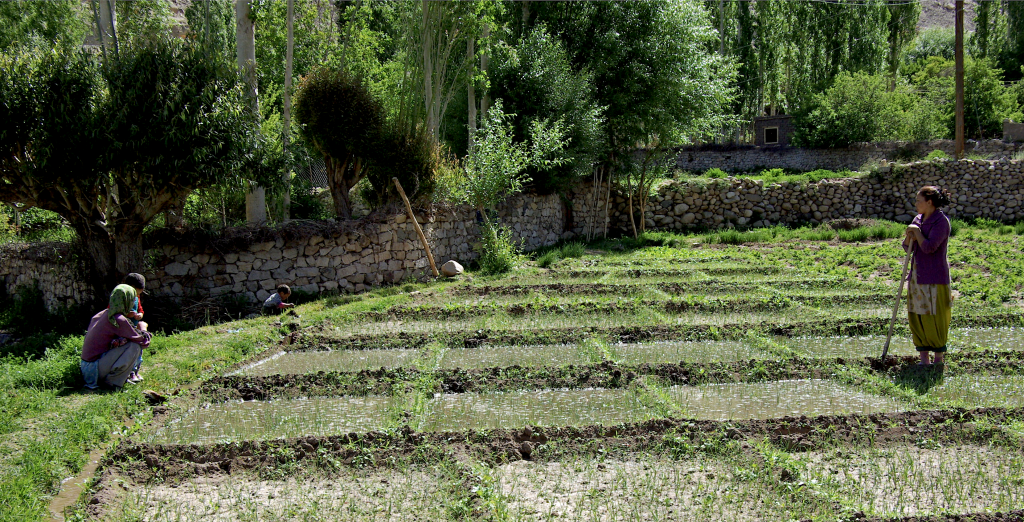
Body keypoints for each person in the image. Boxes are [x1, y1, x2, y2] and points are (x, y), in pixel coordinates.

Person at [903, 186, 953, 367]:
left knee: (935, 315)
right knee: (918, 314)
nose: (916, 204)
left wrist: (916, 232)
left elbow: (930, 248)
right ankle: (924, 358)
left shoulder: (941, 222)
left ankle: (938, 359)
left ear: (929, 202)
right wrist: (910, 236)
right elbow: (907, 246)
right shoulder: (918, 219)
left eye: (918, 200)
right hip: (917, 275)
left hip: (934, 276)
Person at [81, 284, 152, 391]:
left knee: (127, 343)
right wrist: (143, 328)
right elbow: (143, 342)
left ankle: (114, 378)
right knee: (135, 347)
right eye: (132, 300)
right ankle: (113, 382)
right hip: (95, 369)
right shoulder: (118, 319)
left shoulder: (103, 314)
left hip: (86, 368)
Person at [122, 273, 149, 383]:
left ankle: (136, 371)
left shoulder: (137, 298)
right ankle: (129, 372)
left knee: (139, 350)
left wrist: (140, 315)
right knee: (129, 350)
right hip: (124, 329)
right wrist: (128, 315)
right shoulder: (121, 297)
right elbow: (115, 313)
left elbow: (141, 310)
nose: (137, 295)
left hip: (135, 328)